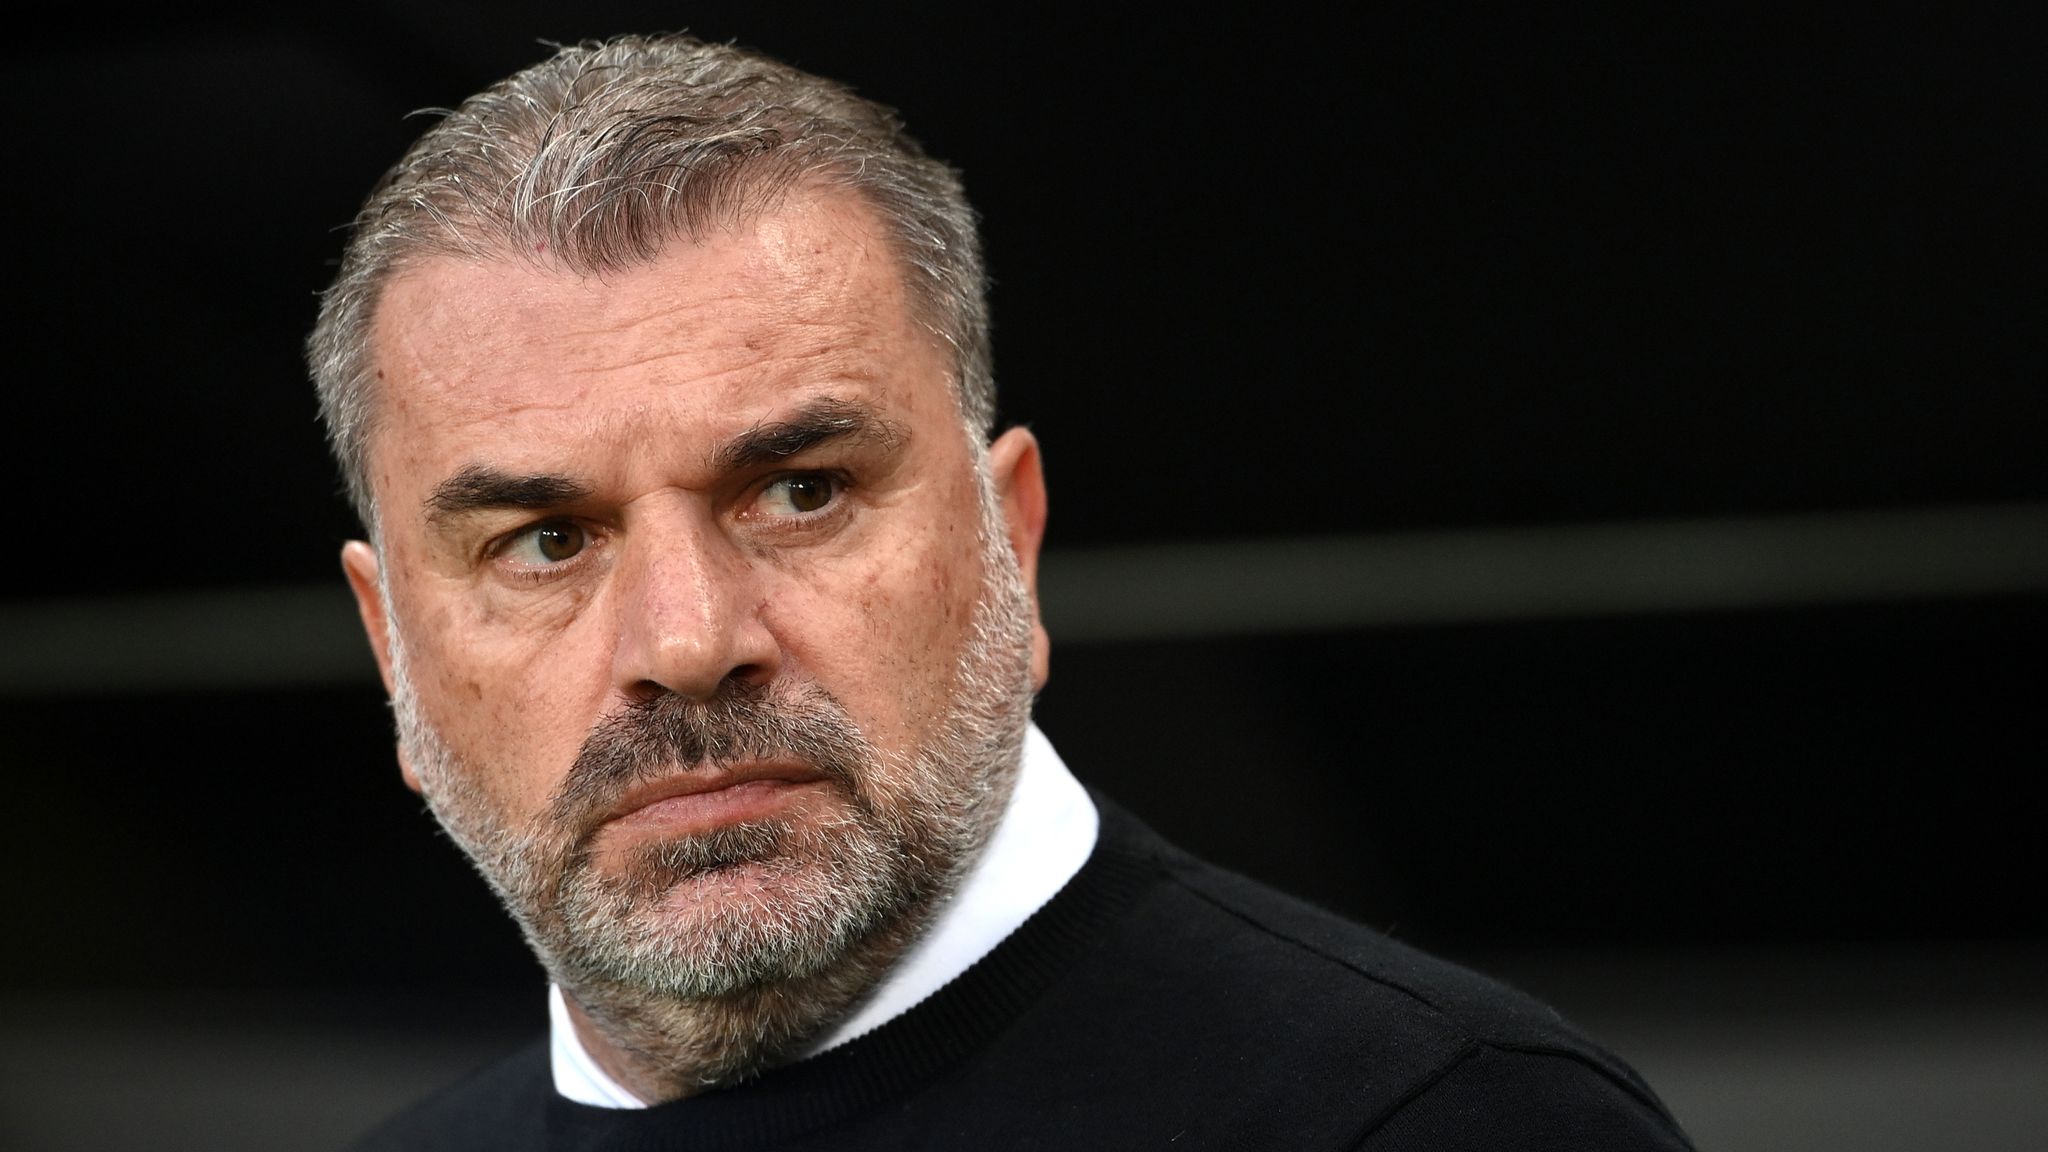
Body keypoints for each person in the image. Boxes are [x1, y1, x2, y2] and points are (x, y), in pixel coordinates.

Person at [310, 32, 1695, 1151]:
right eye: (547, 541)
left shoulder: (1448, 1122)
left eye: (802, 491)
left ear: (1011, 542)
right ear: (393, 649)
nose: (685, 639)